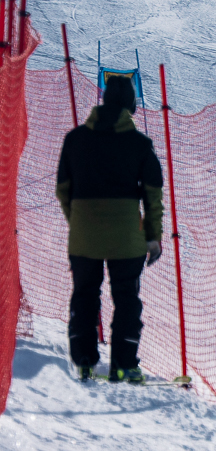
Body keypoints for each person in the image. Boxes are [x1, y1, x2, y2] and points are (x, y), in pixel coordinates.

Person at [56, 74, 164, 383]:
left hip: (84, 233)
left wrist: (78, 220)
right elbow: (152, 194)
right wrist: (152, 237)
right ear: (131, 106)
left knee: (84, 294)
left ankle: (84, 360)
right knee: (126, 298)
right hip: (126, 237)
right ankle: (123, 364)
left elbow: (63, 189)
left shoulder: (74, 139)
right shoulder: (141, 144)